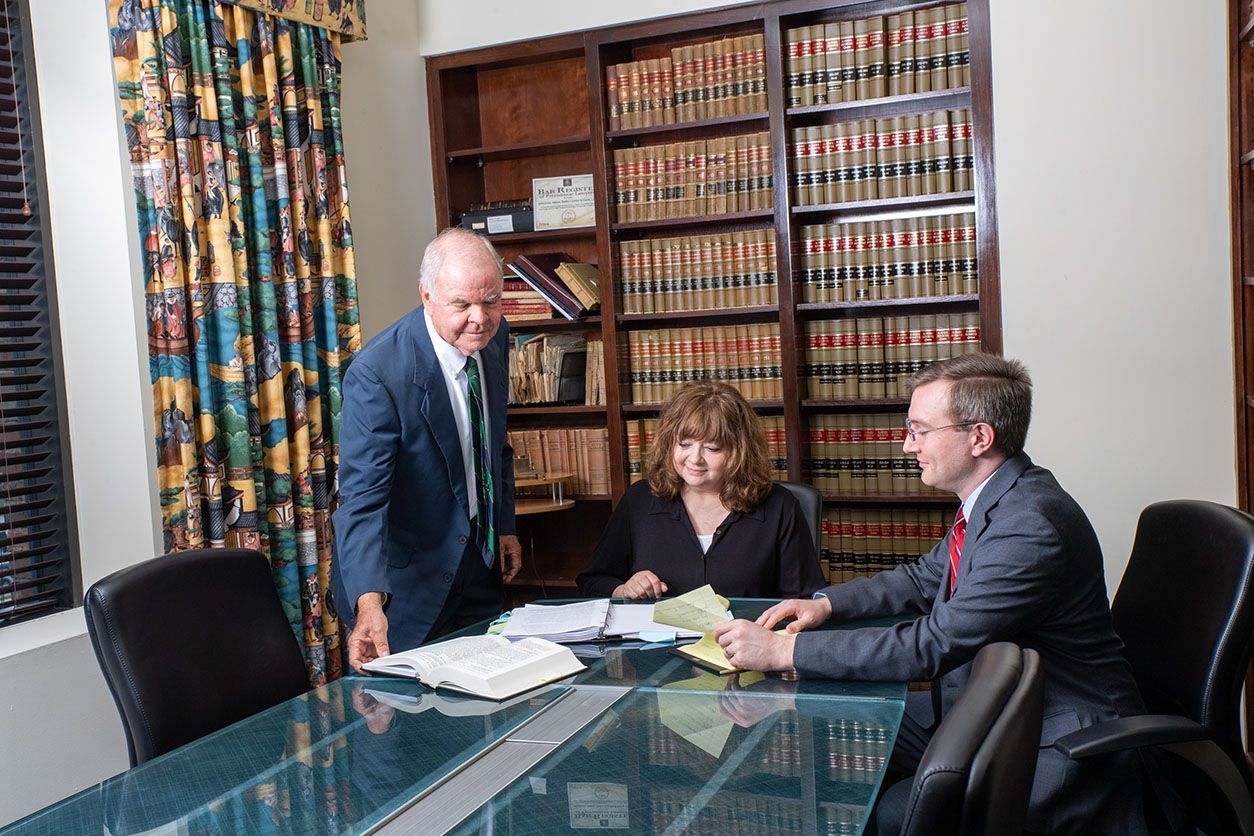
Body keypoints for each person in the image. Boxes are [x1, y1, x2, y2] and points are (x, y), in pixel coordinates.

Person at [713, 353, 1160, 835]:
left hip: (1051, 733)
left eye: (920, 430)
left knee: (887, 805)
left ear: (979, 437)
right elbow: (925, 577)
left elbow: (932, 645)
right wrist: (826, 604)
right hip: (986, 700)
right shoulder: (996, 499)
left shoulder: (1029, 525)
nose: (908, 446)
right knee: (819, 715)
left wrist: (785, 650)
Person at [332, 228, 521, 673]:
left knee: (485, 715)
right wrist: (368, 602)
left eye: (491, 301)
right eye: (461, 305)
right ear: (427, 296)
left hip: (478, 561)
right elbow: (362, 500)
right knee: (405, 730)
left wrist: (504, 524)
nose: (479, 318)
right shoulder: (377, 375)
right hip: (402, 589)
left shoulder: (495, 338)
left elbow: (496, 443)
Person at [577, 380, 824, 600]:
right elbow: (592, 581)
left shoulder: (779, 506)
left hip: (747, 648)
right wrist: (624, 589)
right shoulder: (639, 500)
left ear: (739, 453)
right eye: (684, 444)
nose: (695, 459)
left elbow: (805, 601)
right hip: (655, 647)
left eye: (712, 448)